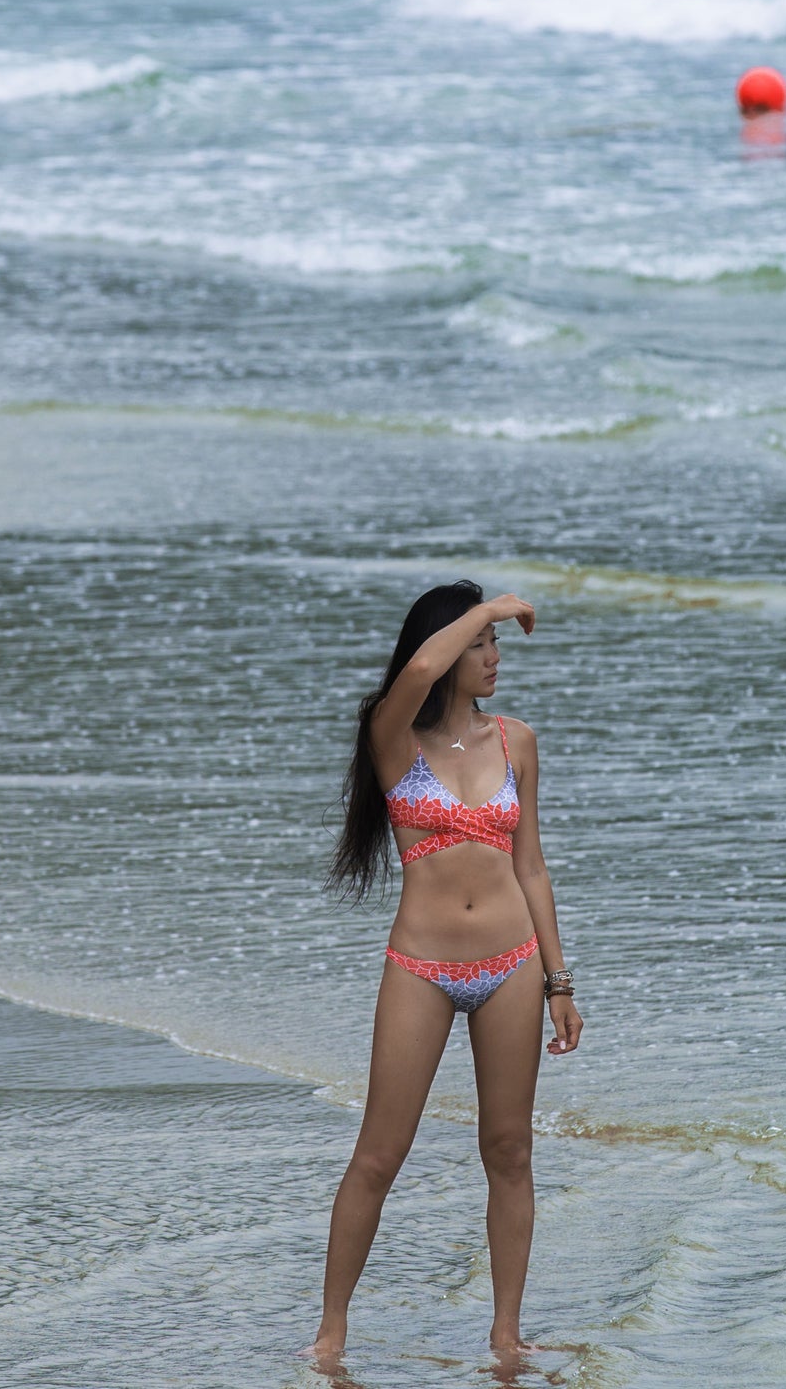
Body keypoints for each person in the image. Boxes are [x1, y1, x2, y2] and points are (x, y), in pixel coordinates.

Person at [309, 579, 583, 1366]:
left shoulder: (518, 742)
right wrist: (488, 606)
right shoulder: (392, 736)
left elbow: (530, 868)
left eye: (494, 644)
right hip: (421, 968)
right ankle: (331, 1335)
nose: (494, 658)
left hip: (513, 966)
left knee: (509, 1150)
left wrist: (560, 981)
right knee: (377, 1155)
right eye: (480, 646)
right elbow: (421, 669)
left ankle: (505, 1335)